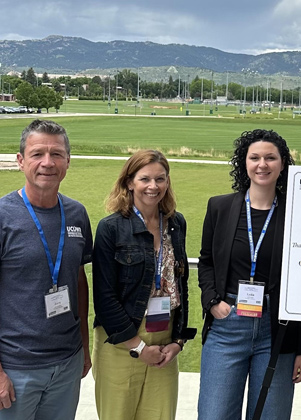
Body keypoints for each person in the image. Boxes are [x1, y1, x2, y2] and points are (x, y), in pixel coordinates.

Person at [0, 119, 93, 419]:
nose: (47, 163)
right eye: (37, 154)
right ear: (20, 161)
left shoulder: (76, 213)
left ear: (68, 162)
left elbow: (78, 281)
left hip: (67, 363)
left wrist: (84, 348)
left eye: (56, 154)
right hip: (14, 369)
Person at [197, 129, 301, 420]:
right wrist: (213, 302)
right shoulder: (220, 207)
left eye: (271, 158)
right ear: (244, 163)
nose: (263, 164)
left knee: (270, 415)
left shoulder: (298, 212)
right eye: (255, 157)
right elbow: (207, 261)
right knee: (215, 414)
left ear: (283, 164)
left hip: (277, 329)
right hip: (227, 324)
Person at [91, 149, 196, 419]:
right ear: (129, 182)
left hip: (164, 338)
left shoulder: (176, 223)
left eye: (160, 179)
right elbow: (104, 298)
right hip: (121, 341)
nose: (153, 186)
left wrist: (179, 341)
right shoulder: (111, 228)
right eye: (145, 179)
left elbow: (182, 284)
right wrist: (138, 347)